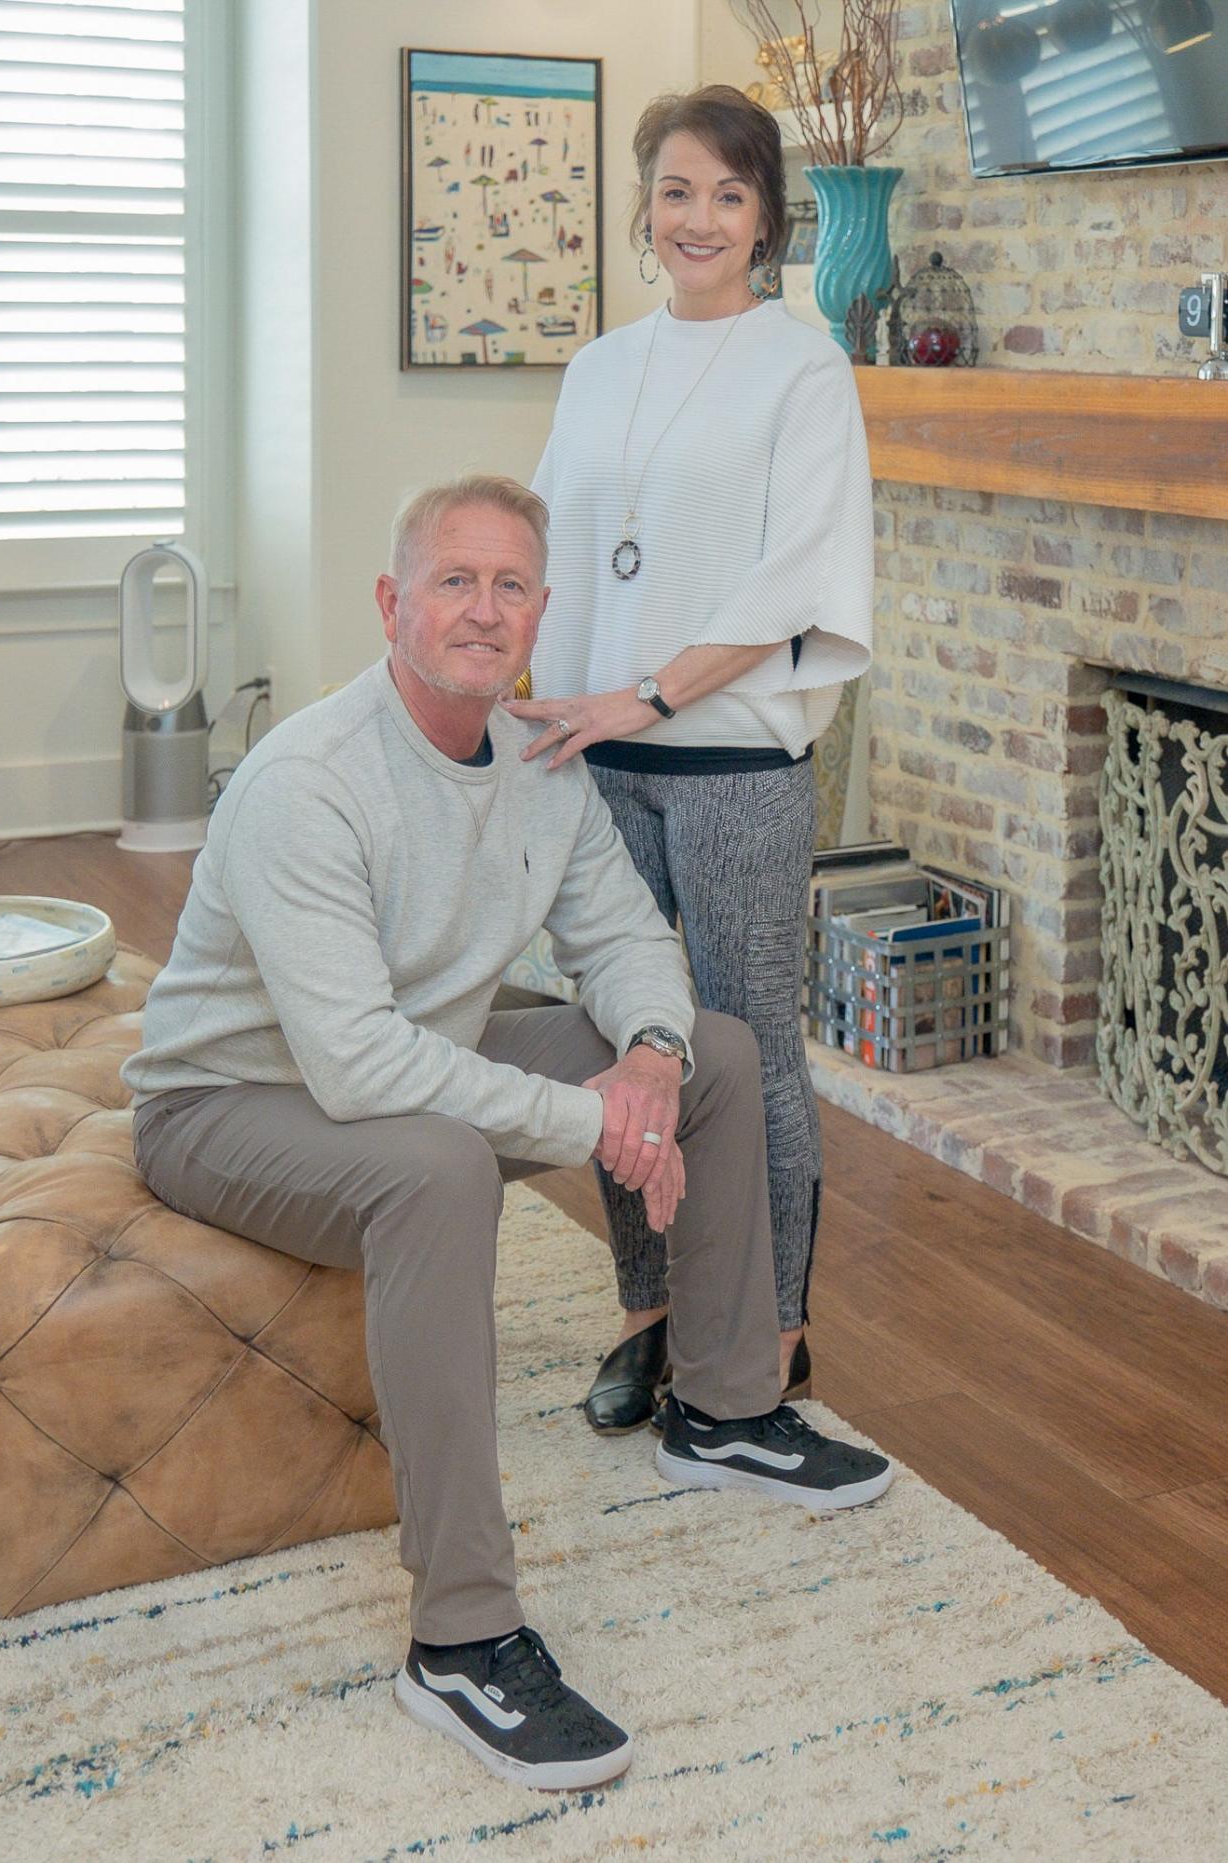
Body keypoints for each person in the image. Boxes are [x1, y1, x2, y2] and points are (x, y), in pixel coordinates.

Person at [123, 477, 892, 1793]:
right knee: (433, 1172)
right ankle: (460, 1634)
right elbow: (357, 1065)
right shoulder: (307, 780)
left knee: (711, 1049)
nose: (482, 611)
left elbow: (621, 940)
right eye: (454, 581)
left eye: (510, 586)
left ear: (540, 610)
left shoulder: (539, 763)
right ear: (393, 604)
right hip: (231, 1102)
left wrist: (646, 1060)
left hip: (408, 1056)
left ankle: (724, 1412)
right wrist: (590, 1121)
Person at [503, 86, 875, 1435]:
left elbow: (795, 581)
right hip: (592, 761)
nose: (698, 217)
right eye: (674, 190)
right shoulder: (601, 365)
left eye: (726, 193)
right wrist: (523, 694)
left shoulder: (802, 370)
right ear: (643, 209)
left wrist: (647, 693)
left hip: (731, 767)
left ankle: (774, 1330)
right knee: (623, 1044)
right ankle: (648, 1319)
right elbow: (547, 544)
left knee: (745, 1050)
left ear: (767, 218)